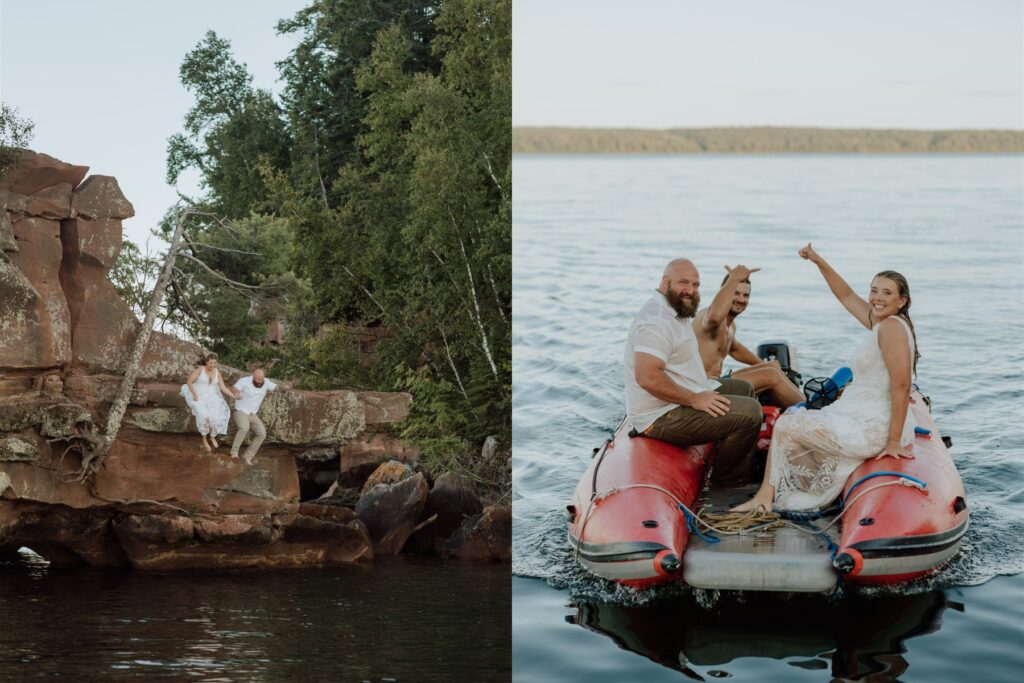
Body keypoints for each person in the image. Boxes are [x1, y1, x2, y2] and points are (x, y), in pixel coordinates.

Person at [732, 243, 920, 512]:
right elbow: (845, 295)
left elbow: (902, 386)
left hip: (872, 425)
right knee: (797, 424)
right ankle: (797, 493)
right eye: (874, 290)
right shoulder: (882, 321)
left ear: (902, 300)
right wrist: (818, 261)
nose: (877, 297)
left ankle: (763, 499)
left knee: (786, 425)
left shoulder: (891, 327)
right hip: (859, 413)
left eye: (887, 293)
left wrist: (892, 442)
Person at [625, 258, 764, 487]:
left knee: (744, 388)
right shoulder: (656, 320)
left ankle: (728, 450)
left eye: (696, 285)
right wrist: (694, 399)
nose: (690, 291)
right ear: (665, 281)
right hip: (660, 416)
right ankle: (727, 486)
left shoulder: (674, 312)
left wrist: (699, 392)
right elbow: (647, 376)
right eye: (684, 283)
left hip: (684, 395)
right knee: (750, 413)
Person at [693, 271, 805, 408]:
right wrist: (733, 278)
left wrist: (767, 365)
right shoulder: (709, 318)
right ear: (725, 293)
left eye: (745, 295)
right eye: (736, 293)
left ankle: (800, 404)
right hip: (701, 389)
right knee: (771, 375)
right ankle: (812, 413)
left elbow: (735, 348)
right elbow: (714, 317)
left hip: (716, 383)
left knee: (772, 367)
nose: (741, 299)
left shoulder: (730, 325)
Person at [180, 353, 236, 452]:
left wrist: (233, 395)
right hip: (199, 394)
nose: (213, 365)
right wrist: (194, 394)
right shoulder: (200, 370)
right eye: (211, 363)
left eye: (215, 363)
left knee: (216, 416)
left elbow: (222, 387)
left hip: (212, 396)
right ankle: (204, 439)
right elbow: (189, 381)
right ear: (206, 362)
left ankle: (212, 436)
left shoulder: (217, 372)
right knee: (204, 416)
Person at [229, 366, 283, 464]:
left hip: (252, 414)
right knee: (244, 428)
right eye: (257, 379)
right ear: (253, 376)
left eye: (261, 379)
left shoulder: (266, 382)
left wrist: (285, 387)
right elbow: (234, 388)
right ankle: (234, 453)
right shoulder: (244, 381)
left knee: (262, 433)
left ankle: (247, 456)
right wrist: (236, 393)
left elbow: (276, 388)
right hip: (240, 411)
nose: (259, 381)